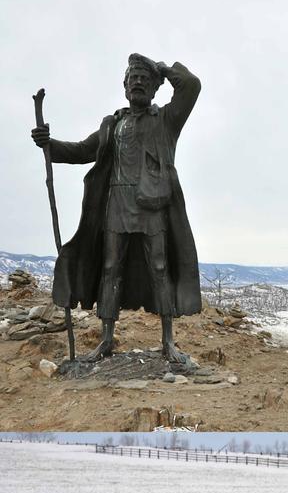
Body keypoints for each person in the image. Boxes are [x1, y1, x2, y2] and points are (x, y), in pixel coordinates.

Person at [31, 54, 202, 363]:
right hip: (117, 206)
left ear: (154, 89)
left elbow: (191, 85)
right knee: (111, 269)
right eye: (133, 78)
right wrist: (49, 144)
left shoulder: (166, 120)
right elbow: (83, 150)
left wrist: (160, 68)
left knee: (160, 269)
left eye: (144, 79)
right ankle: (106, 340)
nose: (138, 82)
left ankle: (167, 342)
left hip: (153, 206)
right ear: (124, 87)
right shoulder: (113, 124)